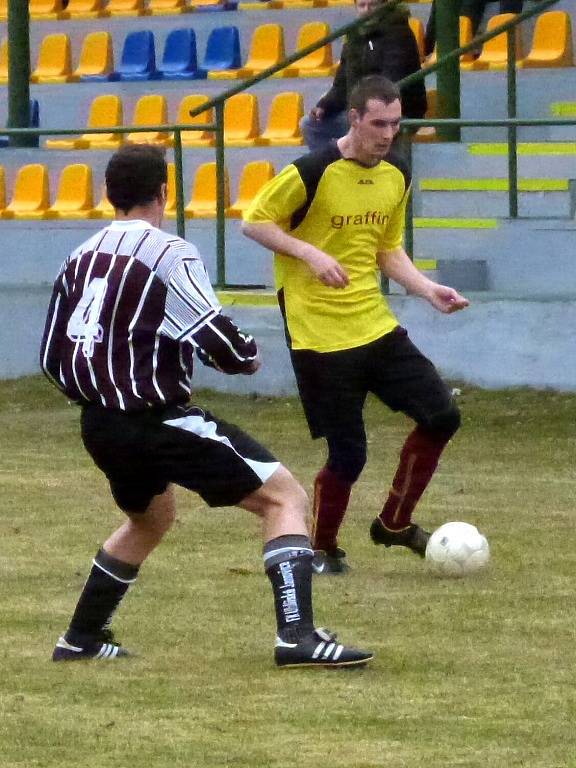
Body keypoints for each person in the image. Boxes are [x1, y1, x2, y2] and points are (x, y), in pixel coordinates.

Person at [39, 144, 372, 668]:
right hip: (158, 419)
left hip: (99, 424)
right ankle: (297, 637)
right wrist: (247, 356)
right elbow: (219, 339)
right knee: (283, 496)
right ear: (164, 193)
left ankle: (80, 638)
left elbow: (52, 354)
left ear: (108, 194)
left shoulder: (79, 257)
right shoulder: (169, 253)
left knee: (150, 519)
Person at [242, 75, 469, 575]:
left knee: (441, 415)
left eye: (396, 124)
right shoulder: (313, 170)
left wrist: (426, 288)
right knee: (349, 452)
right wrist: (309, 251)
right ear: (355, 119)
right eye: (379, 124)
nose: (388, 135)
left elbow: (386, 248)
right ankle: (322, 550)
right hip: (319, 336)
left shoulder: (396, 175)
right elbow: (254, 221)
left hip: (374, 325)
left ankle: (393, 522)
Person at [302, 0, 427, 152]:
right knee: (311, 124)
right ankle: (333, 171)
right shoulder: (354, 35)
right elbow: (342, 84)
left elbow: (392, 83)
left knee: (362, 121)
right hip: (360, 109)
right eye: (362, 5)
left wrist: (365, 107)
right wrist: (324, 105)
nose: (367, 10)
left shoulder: (399, 33)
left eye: (372, 4)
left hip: (397, 111)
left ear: (384, 5)